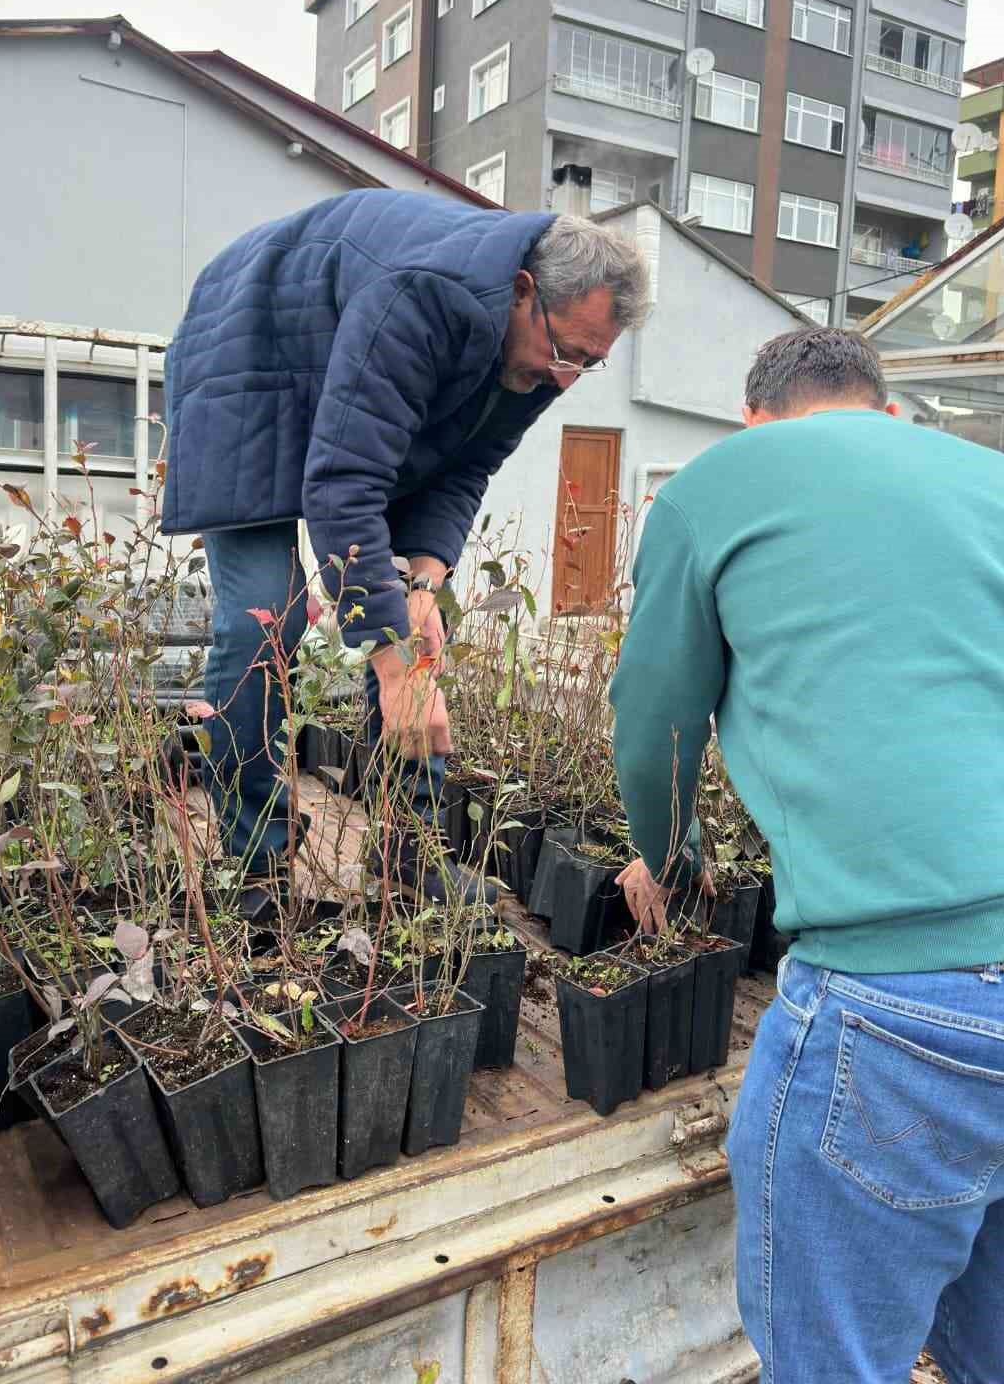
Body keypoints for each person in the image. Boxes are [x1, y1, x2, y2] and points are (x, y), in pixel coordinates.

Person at [609, 328, 1004, 1383]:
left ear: (754, 419)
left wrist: (663, 859)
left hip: (916, 1010)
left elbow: (655, 726)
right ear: (886, 409)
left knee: (833, 1363)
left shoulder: (724, 480)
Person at [162, 188, 649, 895]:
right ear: (522, 292)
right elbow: (343, 484)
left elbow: (467, 465)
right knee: (266, 616)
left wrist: (423, 583)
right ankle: (256, 854)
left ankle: (407, 854)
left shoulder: (542, 350)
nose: (566, 377)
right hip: (248, 355)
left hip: (351, 354)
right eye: (567, 352)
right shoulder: (425, 296)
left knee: (417, 622)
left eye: (589, 362)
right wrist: (400, 674)